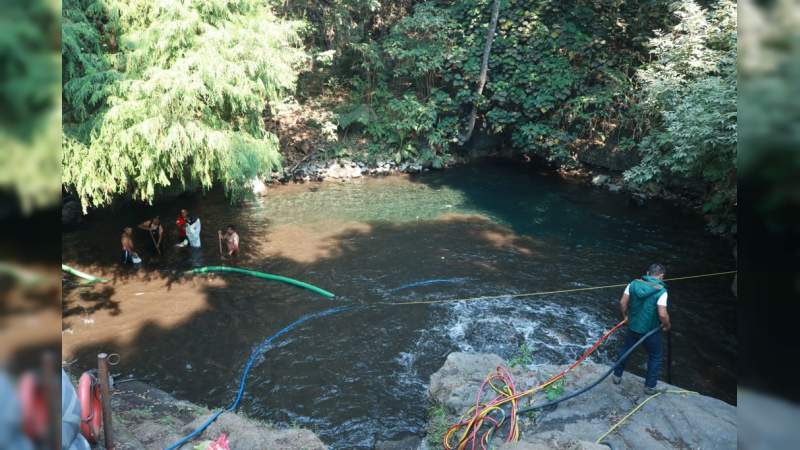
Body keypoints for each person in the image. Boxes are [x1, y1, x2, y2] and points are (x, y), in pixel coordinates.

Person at [612, 263, 671, 395]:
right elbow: (662, 314)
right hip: (650, 331)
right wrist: (667, 325)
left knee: (626, 350)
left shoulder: (632, 284)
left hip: (633, 327)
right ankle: (650, 387)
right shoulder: (661, 291)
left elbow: (622, 302)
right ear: (661, 276)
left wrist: (626, 316)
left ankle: (617, 376)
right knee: (655, 356)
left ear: (647, 273)